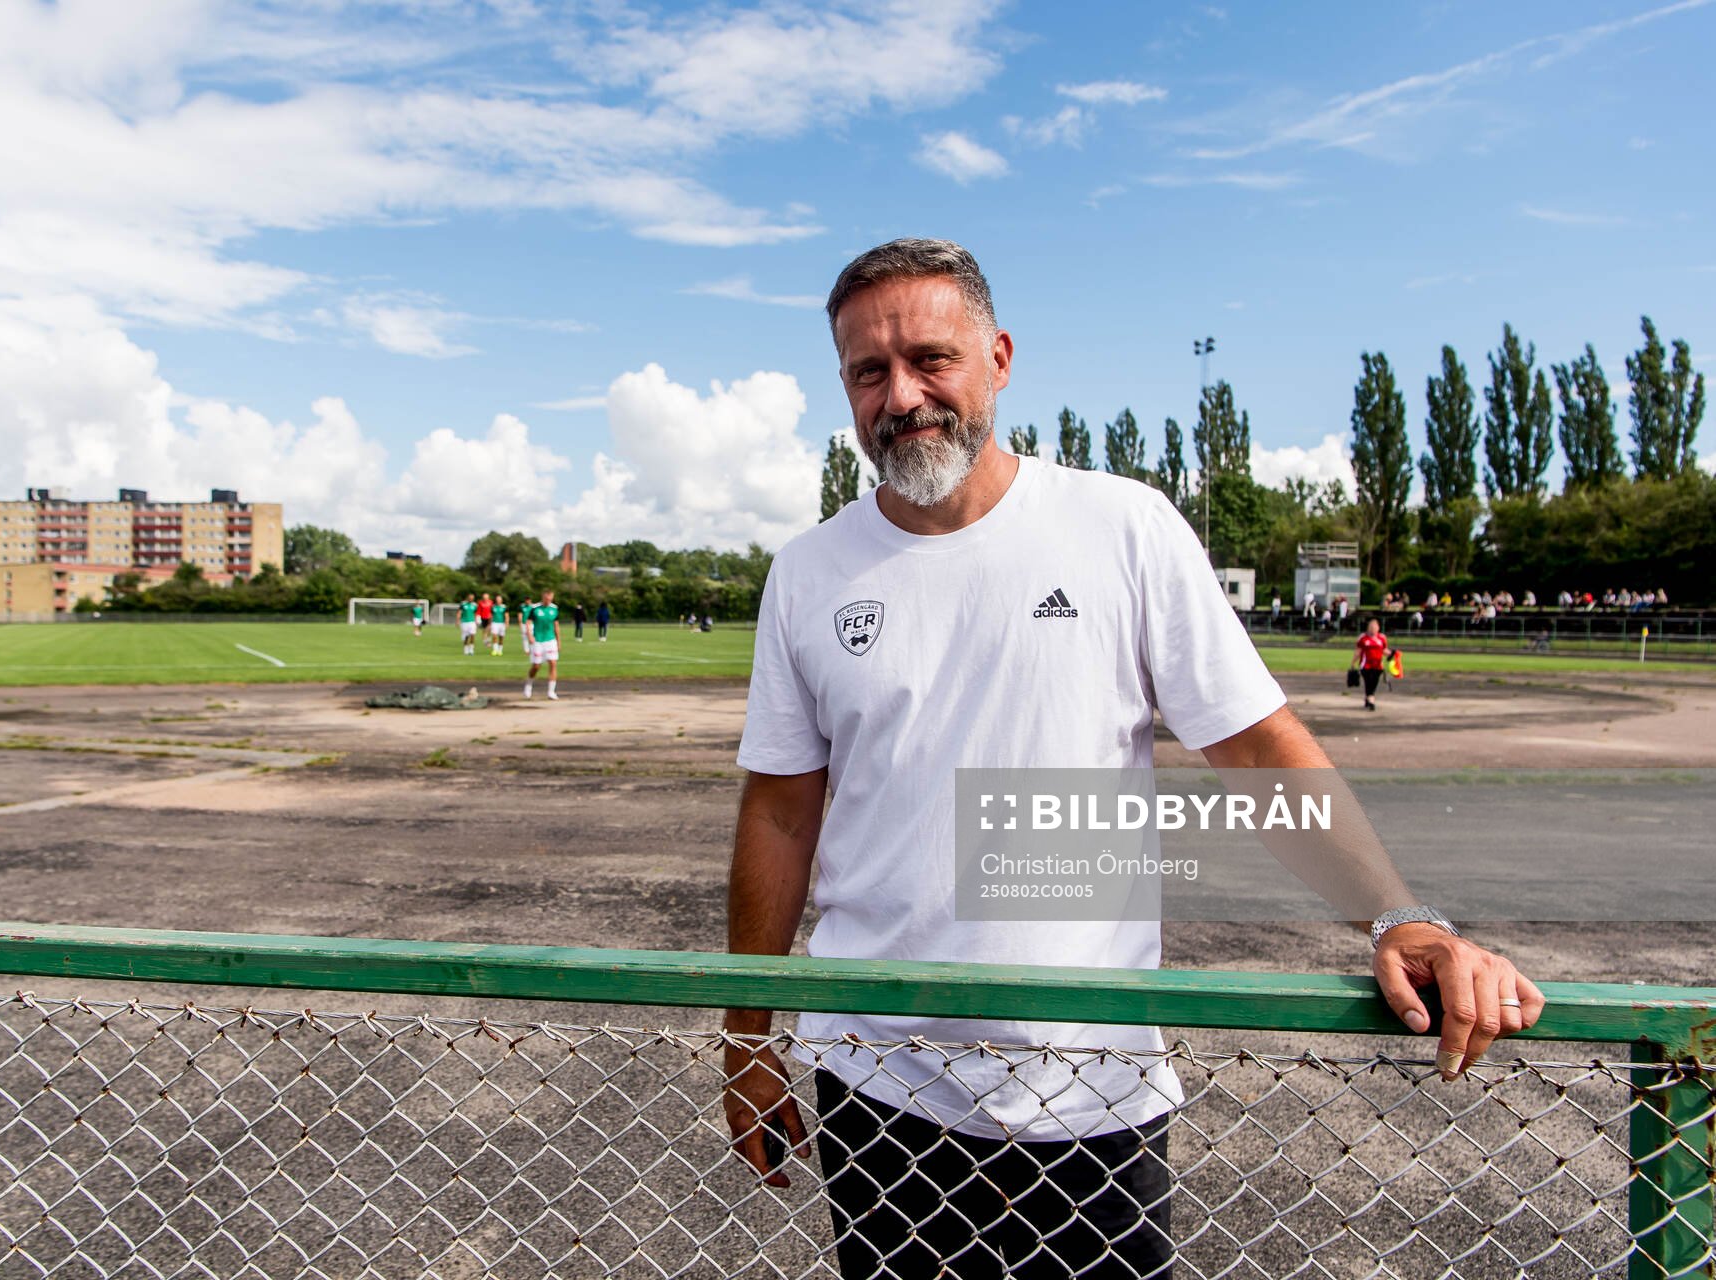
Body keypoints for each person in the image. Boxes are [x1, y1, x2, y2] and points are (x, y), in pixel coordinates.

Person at [723, 239, 1542, 1280]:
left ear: (999, 357)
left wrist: (1395, 914)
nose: (901, 395)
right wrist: (748, 1036)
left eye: (931, 358)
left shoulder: (1121, 526)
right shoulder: (806, 571)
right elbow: (782, 811)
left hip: (1092, 1085)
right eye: (867, 371)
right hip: (878, 1081)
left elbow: (1252, 743)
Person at [523, 589, 561, 700]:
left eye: (551, 597)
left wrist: (558, 641)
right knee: (536, 666)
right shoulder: (535, 608)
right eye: (547, 597)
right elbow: (528, 622)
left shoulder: (554, 609)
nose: (548, 599)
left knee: (553, 663)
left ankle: (551, 691)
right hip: (538, 640)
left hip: (550, 640)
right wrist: (530, 635)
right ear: (543, 596)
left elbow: (556, 625)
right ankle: (528, 684)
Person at [1356, 617, 1389, 711]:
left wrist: (1393, 654)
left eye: (1374, 627)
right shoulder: (1363, 637)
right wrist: (1353, 663)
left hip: (1378, 666)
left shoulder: (1382, 638)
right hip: (1365, 665)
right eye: (1371, 627)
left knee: (1374, 682)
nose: (1372, 629)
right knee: (1368, 682)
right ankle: (1371, 699)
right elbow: (1358, 651)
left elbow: (1384, 650)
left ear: (1378, 628)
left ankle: (1368, 698)